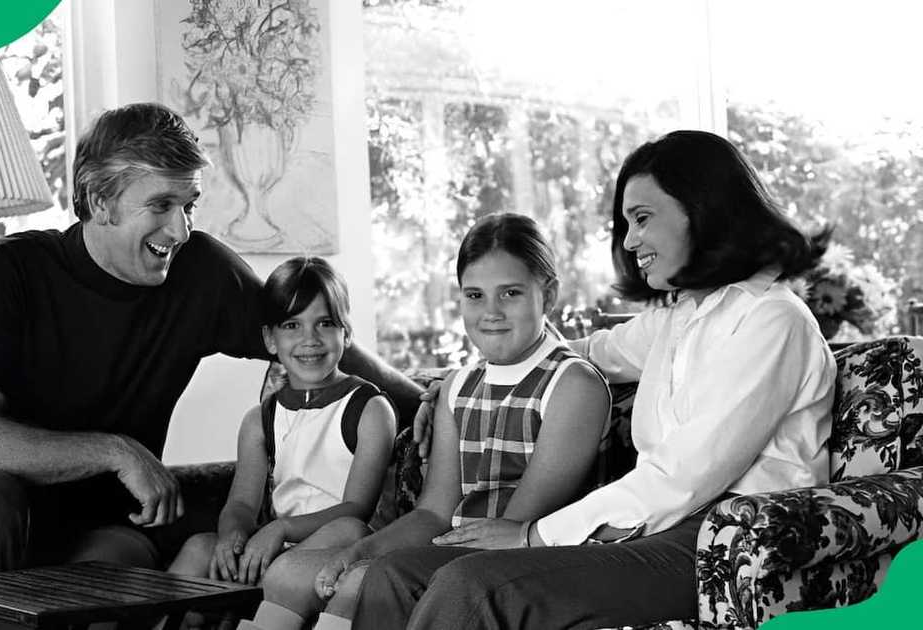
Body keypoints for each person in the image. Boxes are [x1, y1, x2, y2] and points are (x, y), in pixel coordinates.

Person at [0, 102, 422, 579]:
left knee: (122, 559)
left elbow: (310, 334)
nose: (179, 230)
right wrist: (118, 452)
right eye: (160, 205)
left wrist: (429, 402)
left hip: (108, 528)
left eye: (189, 205)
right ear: (98, 200)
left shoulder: (199, 270)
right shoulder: (12, 269)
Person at [359, 130, 837, 629]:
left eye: (642, 219)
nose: (629, 241)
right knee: (395, 574)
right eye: (627, 223)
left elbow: (682, 477)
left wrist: (534, 535)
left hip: (723, 544)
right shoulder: (684, 315)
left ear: (704, 209)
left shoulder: (771, 320)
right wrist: (461, 380)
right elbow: (576, 353)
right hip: (658, 530)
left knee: (473, 585)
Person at [243, 213, 610, 630]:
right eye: (474, 295)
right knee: (325, 571)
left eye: (510, 293)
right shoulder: (458, 386)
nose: (490, 312)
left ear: (549, 293)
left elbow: (514, 528)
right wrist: (359, 550)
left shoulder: (572, 384)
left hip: (525, 558)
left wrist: (371, 562)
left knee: (366, 580)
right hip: (458, 547)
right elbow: (434, 512)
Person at [168, 256, 396, 598]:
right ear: (270, 339)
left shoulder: (369, 409)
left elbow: (357, 509)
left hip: (337, 547)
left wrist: (282, 528)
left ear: (346, 333)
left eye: (325, 323)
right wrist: (233, 536)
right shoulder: (259, 420)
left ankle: (265, 595)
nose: (310, 339)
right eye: (292, 325)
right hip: (279, 543)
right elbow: (241, 505)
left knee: (348, 529)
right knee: (199, 547)